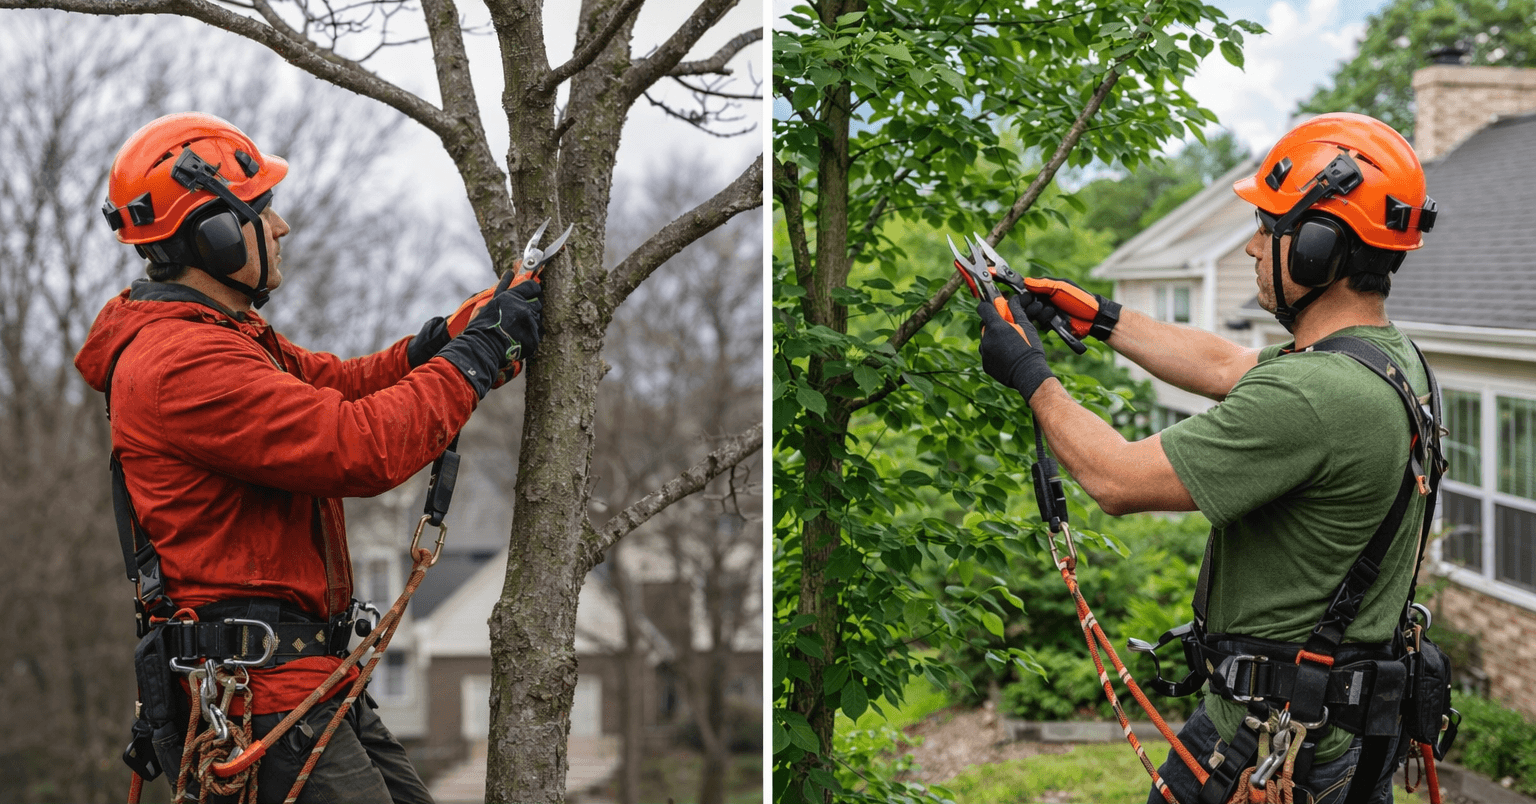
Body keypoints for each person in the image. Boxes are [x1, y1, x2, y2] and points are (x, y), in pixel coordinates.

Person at [74, 112, 543, 803]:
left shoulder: (223, 336)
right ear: (216, 233)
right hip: (261, 694)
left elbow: (338, 384)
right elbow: (356, 447)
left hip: (305, 683)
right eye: (262, 209)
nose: (282, 226)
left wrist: (451, 336)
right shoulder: (183, 361)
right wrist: (470, 363)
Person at [974, 112, 1442, 804]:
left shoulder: (1314, 395)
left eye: (1269, 228)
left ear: (1318, 249)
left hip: (1263, 748)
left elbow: (1117, 478)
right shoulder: (1389, 361)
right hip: (1337, 735)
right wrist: (1098, 317)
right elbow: (1226, 364)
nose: (1254, 247)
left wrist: (1028, 373)